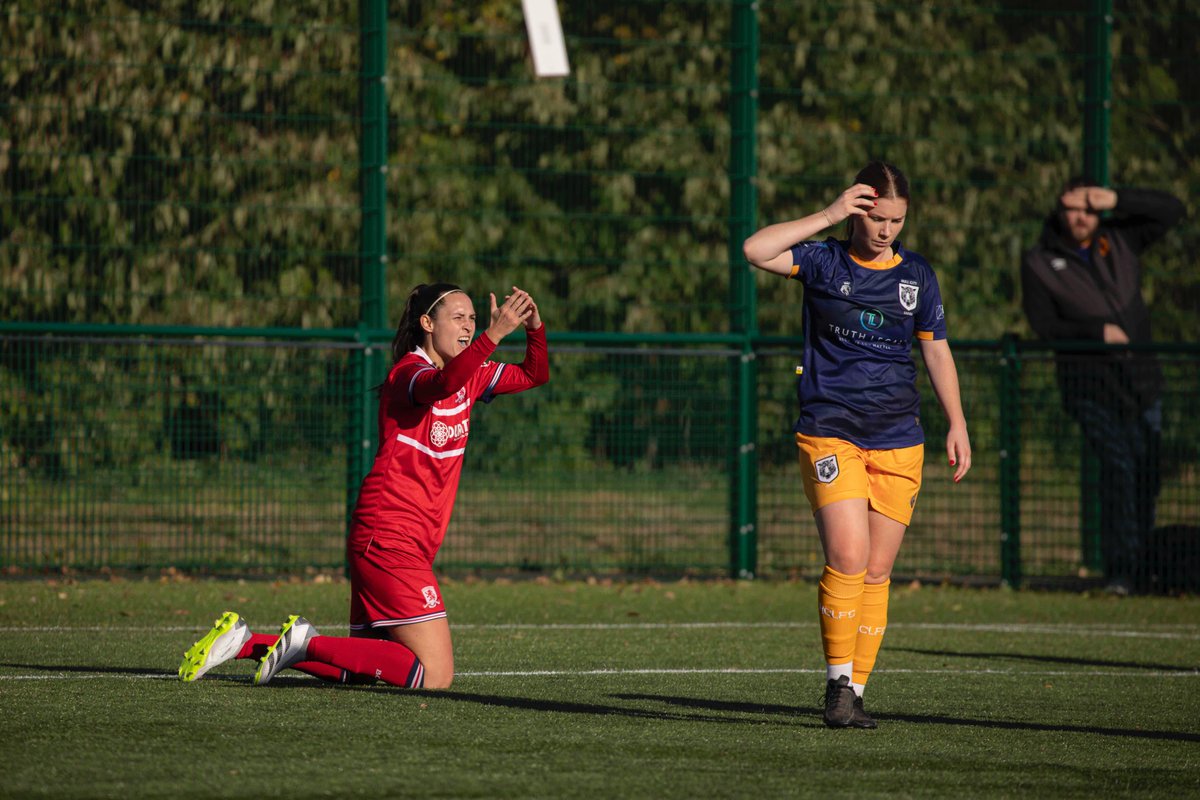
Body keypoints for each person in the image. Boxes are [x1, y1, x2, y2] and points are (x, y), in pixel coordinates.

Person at [177, 283, 549, 688]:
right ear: (427, 323)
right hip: (389, 535)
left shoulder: (470, 374)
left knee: (360, 671)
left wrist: (535, 327)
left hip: (402, 539)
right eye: (458, 318)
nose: (469, 327)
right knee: (436, 677)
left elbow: (535, 373)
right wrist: (493, 336)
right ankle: (304, 642)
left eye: (474, 319)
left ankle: (244, 642)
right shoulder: (409, 372)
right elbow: (442, 386)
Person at [743, 161, 971, 729]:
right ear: (857, 211)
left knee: (875, 570)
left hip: (900, 438)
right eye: (877, 218)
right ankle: (837, 686)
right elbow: (754, 249)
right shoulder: (822, 260)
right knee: (847, 557)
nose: (886, 230)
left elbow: (936, 349)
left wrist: (957, 422)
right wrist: (827, 214)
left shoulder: (917, 275)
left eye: (897, 220)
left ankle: (857, 692)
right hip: (830, 429)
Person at [1021, 179, 1185, 595]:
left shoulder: (1121, 237)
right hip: (1089, 388)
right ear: (1059, 211)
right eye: (1074, 208)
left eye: (1090, 208)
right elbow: (1045, 326)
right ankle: (1120, 571)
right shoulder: (1040, 261)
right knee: (1118, 466)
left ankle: (1143, 566)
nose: (1082, 217)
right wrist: (1097, 331)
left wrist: (1116, 199)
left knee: (1146, 472)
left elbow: (1172, 210)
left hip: (1142, 382)